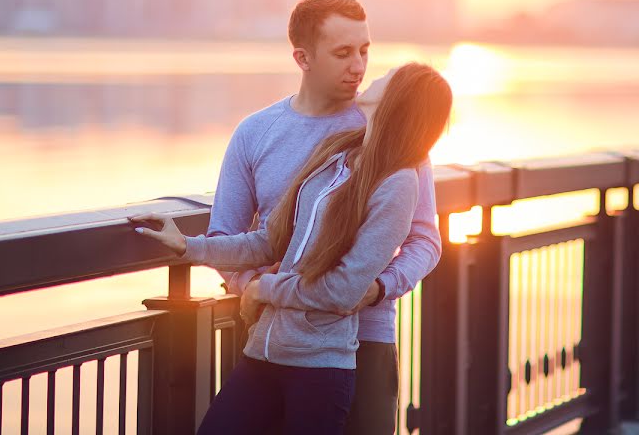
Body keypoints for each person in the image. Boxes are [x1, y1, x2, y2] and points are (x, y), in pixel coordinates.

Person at [132, 62, 452, 434]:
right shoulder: (336, 155)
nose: (368, 68)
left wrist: (263, 288)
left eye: (385, 73)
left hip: (321, 366)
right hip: (265, 350)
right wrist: (188, 247)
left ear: (399, 99)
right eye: (345, 52)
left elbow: (345, 289)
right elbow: (271, 241)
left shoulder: (399, 181)